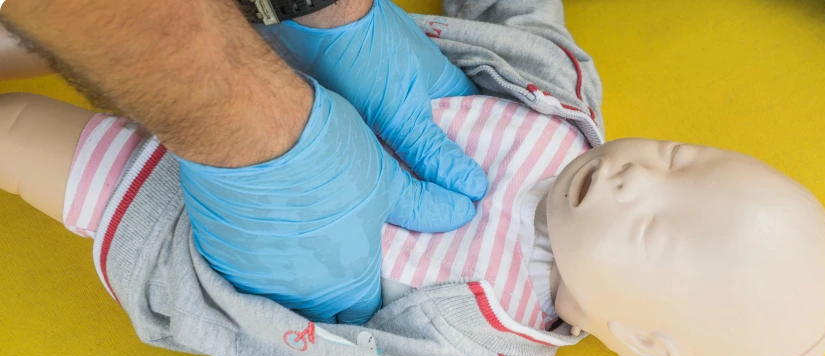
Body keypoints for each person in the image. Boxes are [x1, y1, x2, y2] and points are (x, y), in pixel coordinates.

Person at [0, 1, 825, 356]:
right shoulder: (555, 95)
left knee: (18, 134)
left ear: (640, 337)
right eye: (683, 159)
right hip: (250, 41)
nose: (640, 180)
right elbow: (513, 9)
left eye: (658, 230)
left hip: (209, 227)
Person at [0, 0, 488, 325]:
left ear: (571, 325)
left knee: (16, 132)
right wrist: (336, 15)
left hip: (186, 225)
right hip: (259, 46)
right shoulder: (564, 106)